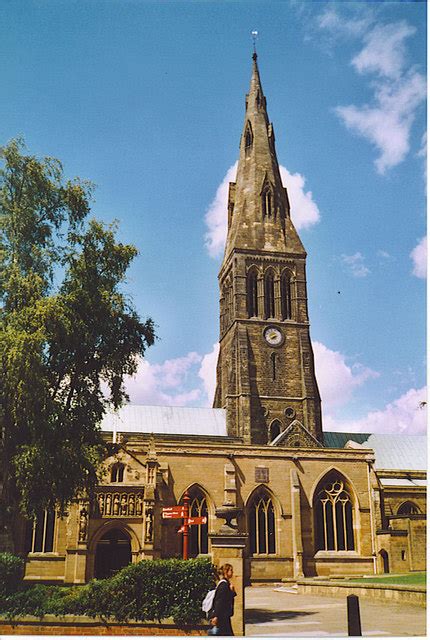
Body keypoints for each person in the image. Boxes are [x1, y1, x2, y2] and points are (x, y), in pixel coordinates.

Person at [209, 563, 236, 636]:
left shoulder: (226, 583)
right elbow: (219, 601)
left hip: (224, 616)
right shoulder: (223, 585)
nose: (232, 572)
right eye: (231, 570)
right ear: (226, 572)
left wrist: (232, 591)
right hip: (222, 617)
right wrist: (216, 616)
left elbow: (226, 599)